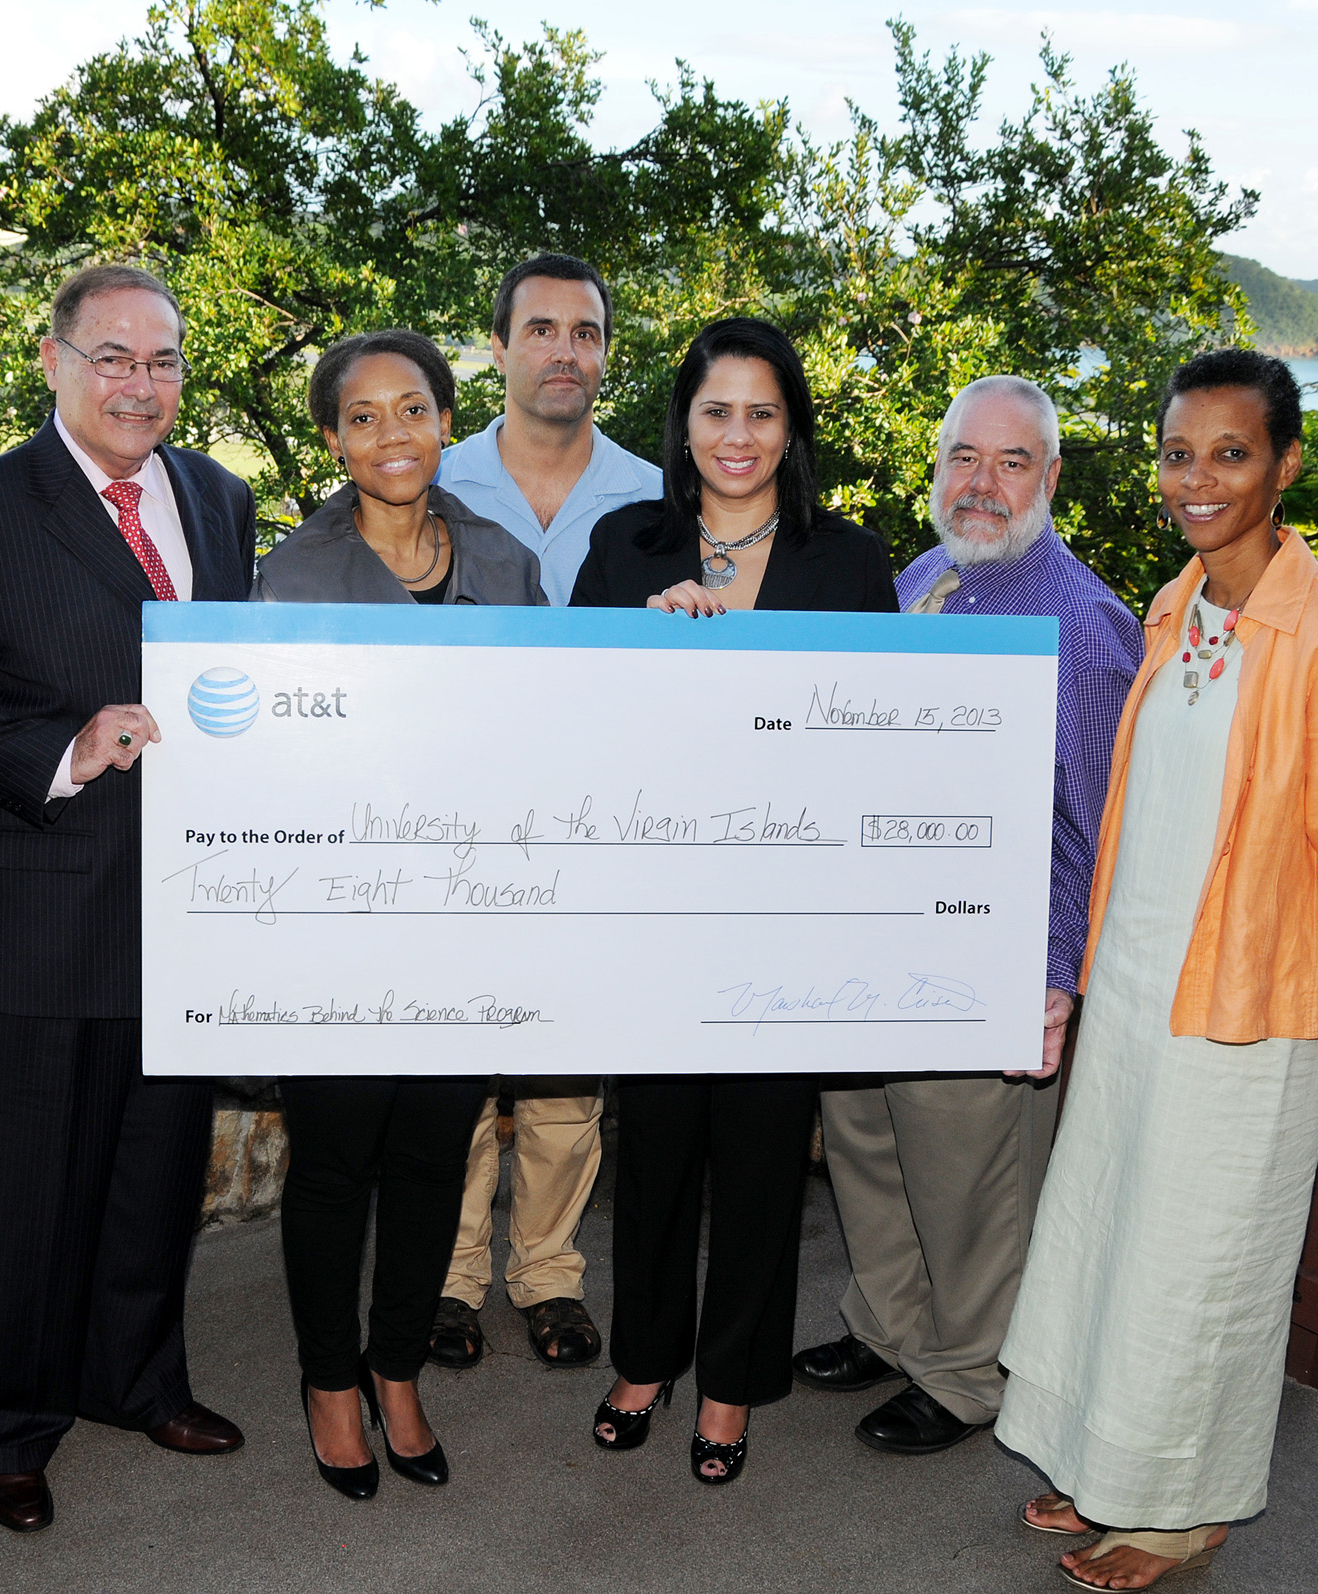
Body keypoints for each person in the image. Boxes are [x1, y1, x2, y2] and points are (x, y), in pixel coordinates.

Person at [996, 349, 1318, 1589]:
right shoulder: (1178, 606)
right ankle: (1097, 1459)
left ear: (1284, 465)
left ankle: (1181, 1513)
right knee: (1110, 1228)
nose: (1199, 478)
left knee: (1201, 1264)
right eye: (1181, 453)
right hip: (1139, 980)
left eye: (1231, 453)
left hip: (1252, 1003)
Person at [0, 263, 256, 1535]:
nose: (137, 384)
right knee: (26, 1190)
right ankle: (7, 1426)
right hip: (38, 912)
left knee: (156, 1172)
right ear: (52, 362)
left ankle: (136, 1381)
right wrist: (62, 747)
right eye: (111, 357)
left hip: (186, 912)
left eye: (160, 362)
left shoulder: (218, 495)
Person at [571, 316, 898, 1485]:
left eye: (763, 411)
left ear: (792, 426)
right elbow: (566, 722)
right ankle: (646, 1360)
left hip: (787, 914)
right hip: (657, 911)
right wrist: (640, 653)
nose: (740, 434)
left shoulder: (850, 562)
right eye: (718, 410)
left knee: (762, 1160)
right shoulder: (625, 546)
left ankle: (730, 1387)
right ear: (686, 423)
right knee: (654, 1150)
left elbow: (879, 744)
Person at [794, 376, 1142, 1458]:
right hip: (880, 934)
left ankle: (967, 1370)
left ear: (1050, 478)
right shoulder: (925, 577)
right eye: (963, 458)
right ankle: (892, 1327)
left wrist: (1059, 976)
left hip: (991, 951)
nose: (982, 484)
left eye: (1011, 462)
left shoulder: (1083, 625)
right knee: (870, 1141)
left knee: (968, 1177)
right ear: (936, 467)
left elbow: (1099, 824)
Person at [254, 329, 545, 1499]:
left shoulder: (507, 560)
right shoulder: (291, 573)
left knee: (433, 1156)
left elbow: (545, 723)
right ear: (333, 438)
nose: (391, 435)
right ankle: (329, 1383)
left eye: (412, 409)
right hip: (337, 919)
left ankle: (396, 1370)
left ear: (444, 420)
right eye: (362, 417)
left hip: (466, 915)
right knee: (334, 1165)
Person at [428, 252, 663, 1372]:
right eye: (542, 329)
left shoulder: (656, 496)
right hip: (462, 819)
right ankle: (451, 1276)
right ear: (499, 347)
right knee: (464, 1061)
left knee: (569, 1071)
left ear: (605, 354)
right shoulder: (433, 475)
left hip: (599, 823)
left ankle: (550, 1277)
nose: (565, 349)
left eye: (586, 331)